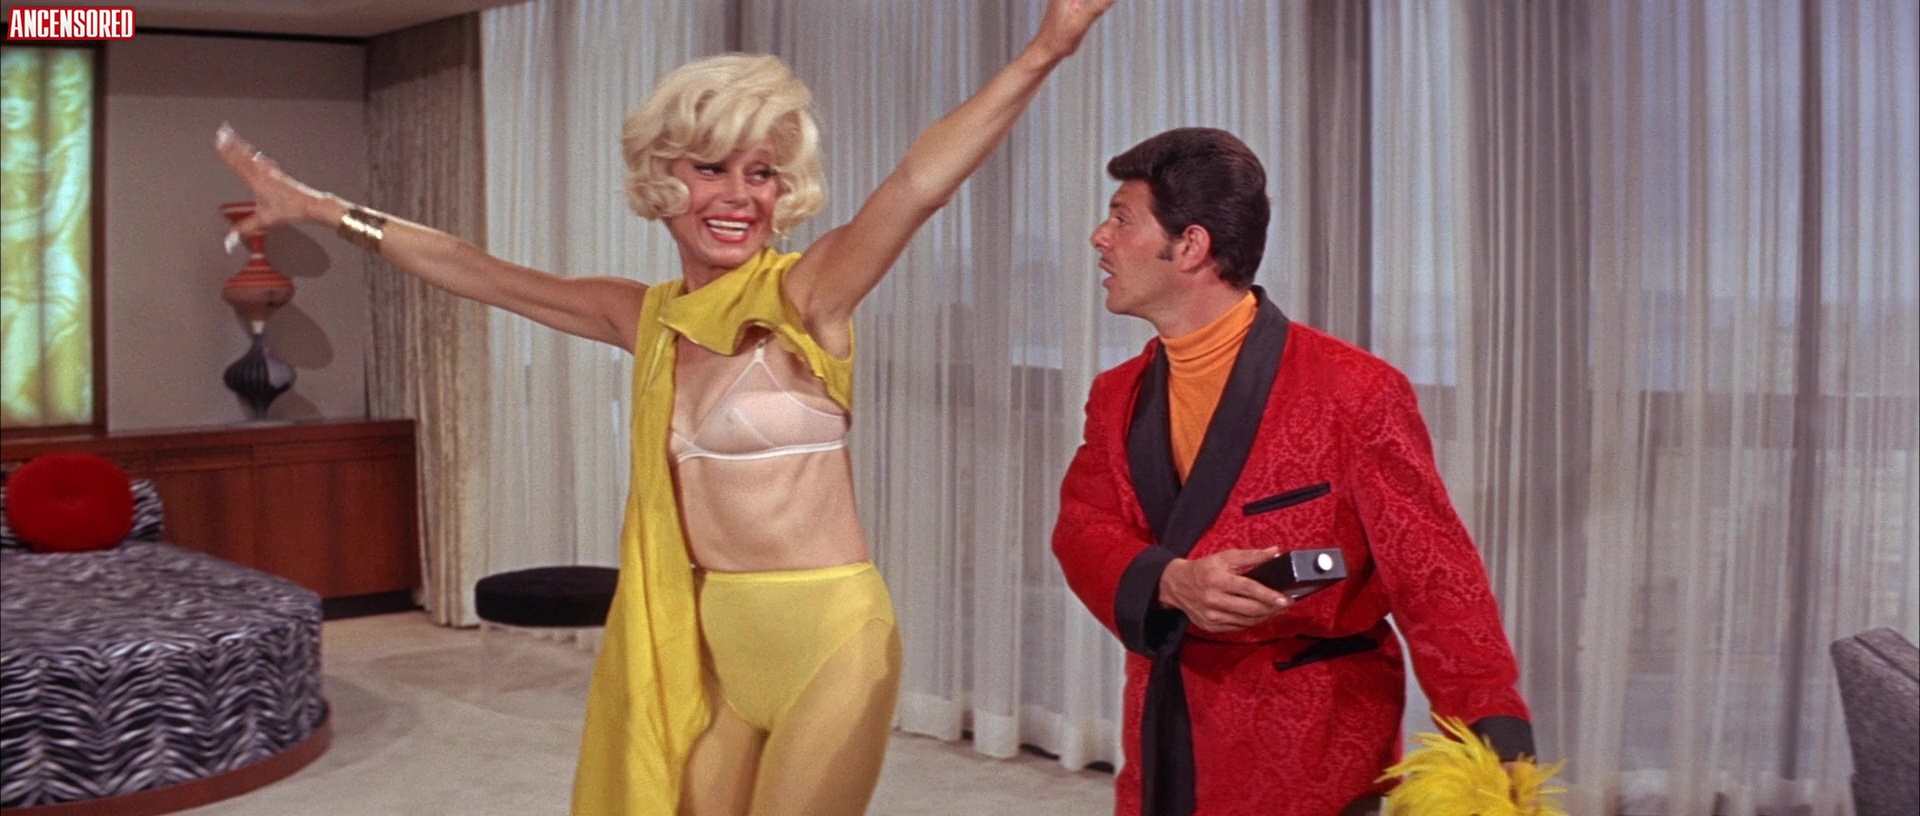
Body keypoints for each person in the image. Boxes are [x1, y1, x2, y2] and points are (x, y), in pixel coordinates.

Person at [216, 3, 1112, 813]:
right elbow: (477, 271)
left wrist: (1046, 48)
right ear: (662, 179)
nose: (739, 195)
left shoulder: (806, 299)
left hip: (833, 641)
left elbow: (918, 186)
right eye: (711, 168)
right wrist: (327, 211)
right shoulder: (644, 318)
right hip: (714, 643)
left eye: (762, 173)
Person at [1049, 127, 1539, 816]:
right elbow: (1083, 528)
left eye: (1122, 219)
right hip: (1167, 727)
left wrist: (1495, 737)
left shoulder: (1355, 391)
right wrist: (1169, 580)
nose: (1100, 237)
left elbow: (1434, 575)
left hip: (1313, 744)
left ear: (1190, 246)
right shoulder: (1116, 395)